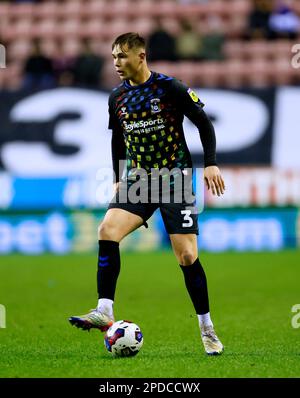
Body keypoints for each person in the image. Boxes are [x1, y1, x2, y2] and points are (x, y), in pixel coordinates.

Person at [69, 32, 225, 356]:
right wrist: (117, 178)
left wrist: (210, 164)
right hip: (139, 179)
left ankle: (207, 327)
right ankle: (105, 310)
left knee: (186, 256)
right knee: (107, 230)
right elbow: (118, 140)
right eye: (113, 58)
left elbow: (204, 123)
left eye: (122, 57)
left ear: (141, 56)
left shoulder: (170, 88)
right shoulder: (116, 98)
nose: (116, 63)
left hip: (174, 177)